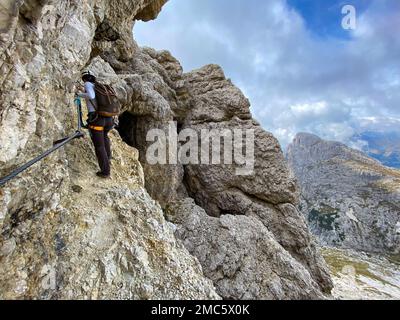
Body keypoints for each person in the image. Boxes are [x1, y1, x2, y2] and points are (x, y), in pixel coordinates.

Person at [77, 71, 113, 178]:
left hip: (97, 119)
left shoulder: (88, 84)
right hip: (108, 118)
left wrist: (79, 94)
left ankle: (105, 172)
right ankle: (108, 158)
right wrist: (83, 91)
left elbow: (91, 95)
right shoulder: (97, 86)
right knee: (105, 137)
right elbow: (92, 95)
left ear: (84, 78)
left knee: (99, 146)